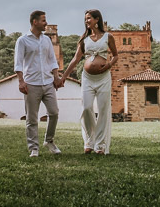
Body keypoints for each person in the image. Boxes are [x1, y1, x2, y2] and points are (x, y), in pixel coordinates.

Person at [61, 9, 118, 155]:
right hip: (87, 78)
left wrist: (108, 65)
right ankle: (89, 141)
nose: (86, 21)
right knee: (86, 108)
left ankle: (100, 145)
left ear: (97, 19)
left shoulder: (108, 37)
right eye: (85, 19)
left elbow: (116, 56)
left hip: (103, 77)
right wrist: (63, 77)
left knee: (103, 110)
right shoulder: (84, 39)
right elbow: (75, 59)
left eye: (89, 18)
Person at [14, 10, 62, 157]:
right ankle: (33, 148)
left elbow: (52, 60)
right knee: (32, 118)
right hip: (31, 84)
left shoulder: (46, 40)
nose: (46, 23)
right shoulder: (22, 40)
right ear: (35, 22)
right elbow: (18, 63)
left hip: (48, 82)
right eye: (43, 20)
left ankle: (49, 140)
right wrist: (21, 81)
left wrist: (56, 76)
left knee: (54, 112)